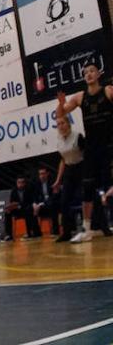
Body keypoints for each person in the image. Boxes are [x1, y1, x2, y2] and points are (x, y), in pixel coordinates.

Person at [56, 61, 113, 242]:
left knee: (109, 187)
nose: (88, 74)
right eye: (85, 72)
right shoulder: (80, 97)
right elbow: (60, 114)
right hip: (92, 148)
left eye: (91, 71)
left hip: (109, 146)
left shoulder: (108, 91)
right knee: (88, 189)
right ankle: (87, 229)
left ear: (98, 74)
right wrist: (61, 103)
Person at [53, 112, 84, 243]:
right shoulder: (59, 140)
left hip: (82, 167)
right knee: (64, 201)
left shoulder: (78, 136)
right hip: (69, 171)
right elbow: (63, 161)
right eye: (58, 124)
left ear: (68, 124)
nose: (61, 126)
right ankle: (67, 232)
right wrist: (58, 180)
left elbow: (86, 154)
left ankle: (102, 227)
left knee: (88, 196)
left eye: (63, 123)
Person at [36, 166, 60, 237]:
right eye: (40, 174)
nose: (41, 176)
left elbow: (55, 196)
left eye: (43, 174)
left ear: (47, 174)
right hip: (42, 204)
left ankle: (55, 231)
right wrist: (35, 204)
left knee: (52, 206)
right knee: (31, 209)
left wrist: (43, 203)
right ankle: (36, 233)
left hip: (53, 202)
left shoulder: (53, 181)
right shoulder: (37, 184)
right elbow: (35, 196)